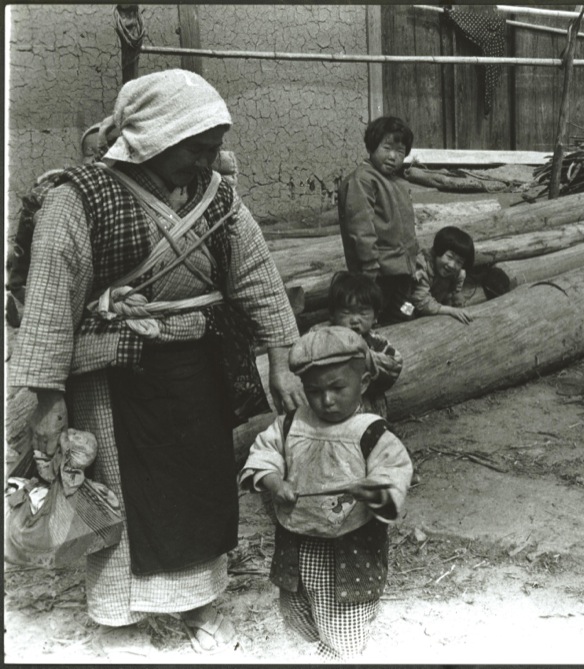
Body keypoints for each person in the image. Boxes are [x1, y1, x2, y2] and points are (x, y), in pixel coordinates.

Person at [7, 69, 306, 655]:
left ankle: (197, 605)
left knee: (198, 489)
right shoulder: (80, 197)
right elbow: (49, 299)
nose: (209, 160)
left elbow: (257, 276)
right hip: (112, 373)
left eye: (213, 147)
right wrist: (48, 399)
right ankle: (120, 617)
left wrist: (281, 357)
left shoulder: (216, 197)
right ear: (155, 137)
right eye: (197, 148)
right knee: (121, 495)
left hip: (195, 368)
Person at [238, 326, 413, 660]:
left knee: (344, 623)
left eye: (337, 388)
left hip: (349, 545)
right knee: (296, 611)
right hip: (297, 540)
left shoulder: (370, 431)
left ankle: (339, 655)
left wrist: (374, 490)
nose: (327, 399)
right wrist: (274, 482)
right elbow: (264, 451)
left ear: (363, 383)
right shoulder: (291, 423)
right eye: (315, 390)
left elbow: (394, 469)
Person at [5, 121, 119, 328]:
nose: (96, 157)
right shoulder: (68, 183)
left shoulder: (119, 188)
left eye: (103, 150)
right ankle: (24, 300)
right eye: (89, 152)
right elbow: (37, 203)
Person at [338, 116, 418, 325]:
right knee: (373, 318)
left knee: (406, 312)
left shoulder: (398, 182)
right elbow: (361, 227)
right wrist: (370, 266)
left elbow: (407, 229)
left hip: (402, 272)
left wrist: (413, 262)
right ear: (371, 147)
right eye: (387, 148)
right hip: (378, 274)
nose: (393, 156)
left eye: (400, 151)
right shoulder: (363, 180)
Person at [314, 271, 403, 418]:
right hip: (330, 407)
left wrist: (364, 356)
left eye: (363, 313)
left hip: (369, 409)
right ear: (333, 314)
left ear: (375, 316)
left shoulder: (378, 342)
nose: (354, 320)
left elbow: (394, 367)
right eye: (346, 313)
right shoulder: (320, 336)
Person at [410, 225, 474, 324]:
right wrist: (451, 311)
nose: (452, 265)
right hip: (409, 309)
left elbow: (453, 292)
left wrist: (456, 297)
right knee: (406, 315)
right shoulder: (423, 266)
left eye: (459, 262)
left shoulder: (458, 273)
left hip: (433, 307)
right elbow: (421, 302)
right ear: (439, 250)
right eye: (449, 257)